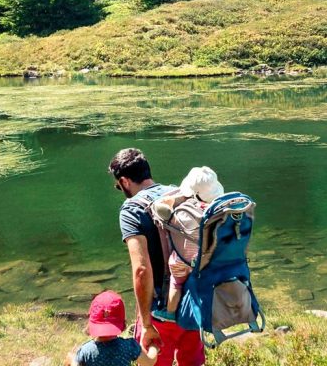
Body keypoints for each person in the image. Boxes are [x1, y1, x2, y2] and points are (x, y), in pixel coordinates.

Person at [108, 148, 206, 366]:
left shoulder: (132, 210)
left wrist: (146, 323)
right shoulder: (180, 193)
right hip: (193, 302)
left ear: (124, 181)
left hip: (161, 313)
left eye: (118, 185)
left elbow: (141, 270)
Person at [150, 166, 224, 322]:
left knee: (176, 280)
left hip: (188, 261)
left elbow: (160, 210)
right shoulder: (219, 211)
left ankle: (170, 313)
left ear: (192, 193)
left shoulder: (184, 213)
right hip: (212, 258)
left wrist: (172, 201)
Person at [69, 290, 159, 366]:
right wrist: (154, 347)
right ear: (123, 322)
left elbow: (75, 363)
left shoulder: (85, 351)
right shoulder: (129, 346)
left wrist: (72, 359)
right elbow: (149, 362)